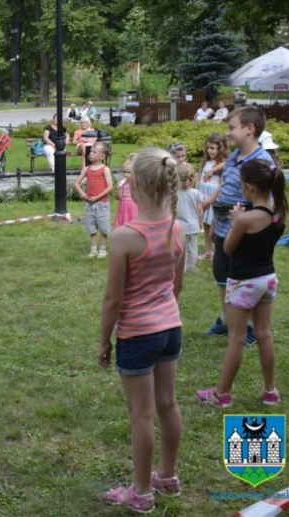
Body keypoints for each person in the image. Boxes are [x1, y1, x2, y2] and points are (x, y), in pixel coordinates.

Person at [99, 147, 185, 513]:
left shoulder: (124, 236)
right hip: (171, 328)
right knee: (168, 404)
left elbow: (112, 301)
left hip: (137, 335)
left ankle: (141, 491)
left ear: (135, 186)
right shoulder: (177, 227)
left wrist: (104, 341)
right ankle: (166, 476)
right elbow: (176, 286)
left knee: (142, 415)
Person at [196, 159, 288, 408]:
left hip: (243, 282)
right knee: (264, 334)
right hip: (267, 280)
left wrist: (236, 221)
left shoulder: (247, 220)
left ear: (248, 187)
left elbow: (226, 247)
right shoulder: (278, 213)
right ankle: (271, 391)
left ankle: (222, 394)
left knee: (236, 338)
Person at [203, 106, 273, 344]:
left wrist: (242, 223)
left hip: (243, 233)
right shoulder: (234, 157)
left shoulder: (260, 163)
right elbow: (225, 190)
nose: (228, 133)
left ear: (250, 129)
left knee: (242, 280)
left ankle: (249, 328)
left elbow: (264, 205)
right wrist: (214, 224)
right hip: (223, 228)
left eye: (232, 128)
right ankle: (226, 320)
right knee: (223, 276)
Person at [73, 141, 113, 258]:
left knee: (103, 226)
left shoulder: (105, 170)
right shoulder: (87, 169)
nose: (90, 154)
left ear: (102, 156)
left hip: (102, 204)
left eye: (94, 152)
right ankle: (93, 248)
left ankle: (103, 248)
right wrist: (83, 194)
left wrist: (97, 197)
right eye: (90, 151)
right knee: (91, 226)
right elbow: (76, 183)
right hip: (89, 204)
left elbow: (110, 186)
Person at [197, 133, 229, 260]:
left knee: (214, 227)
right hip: (202, 195)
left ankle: (218, 252)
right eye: (208, 148)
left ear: (220, 148)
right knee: (205, 224)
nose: (209, 151)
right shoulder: (206, 161)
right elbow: (199, 176)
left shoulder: (222, 164)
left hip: (213, 198)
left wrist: (210, 200)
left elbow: (221, 185)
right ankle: (208, 251)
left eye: (212, 148)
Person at [175, 163, 201, 273]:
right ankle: (191, 267)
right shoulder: (196, 193)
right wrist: (200, 222)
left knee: (181, 248)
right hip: (194, 226)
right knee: (193, 248)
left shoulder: (175, 193)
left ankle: (182, 267)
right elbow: (200, 209)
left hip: (180, 226)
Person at [114, 153, 138, 228]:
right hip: (123, 208)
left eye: (128, 172)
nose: (125, 175)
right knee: (123, 225)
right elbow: (118, 197)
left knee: (134, 226)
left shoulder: (138, 184)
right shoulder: (123, 183)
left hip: (134, 208)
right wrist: (119, 188)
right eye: (124, 172)